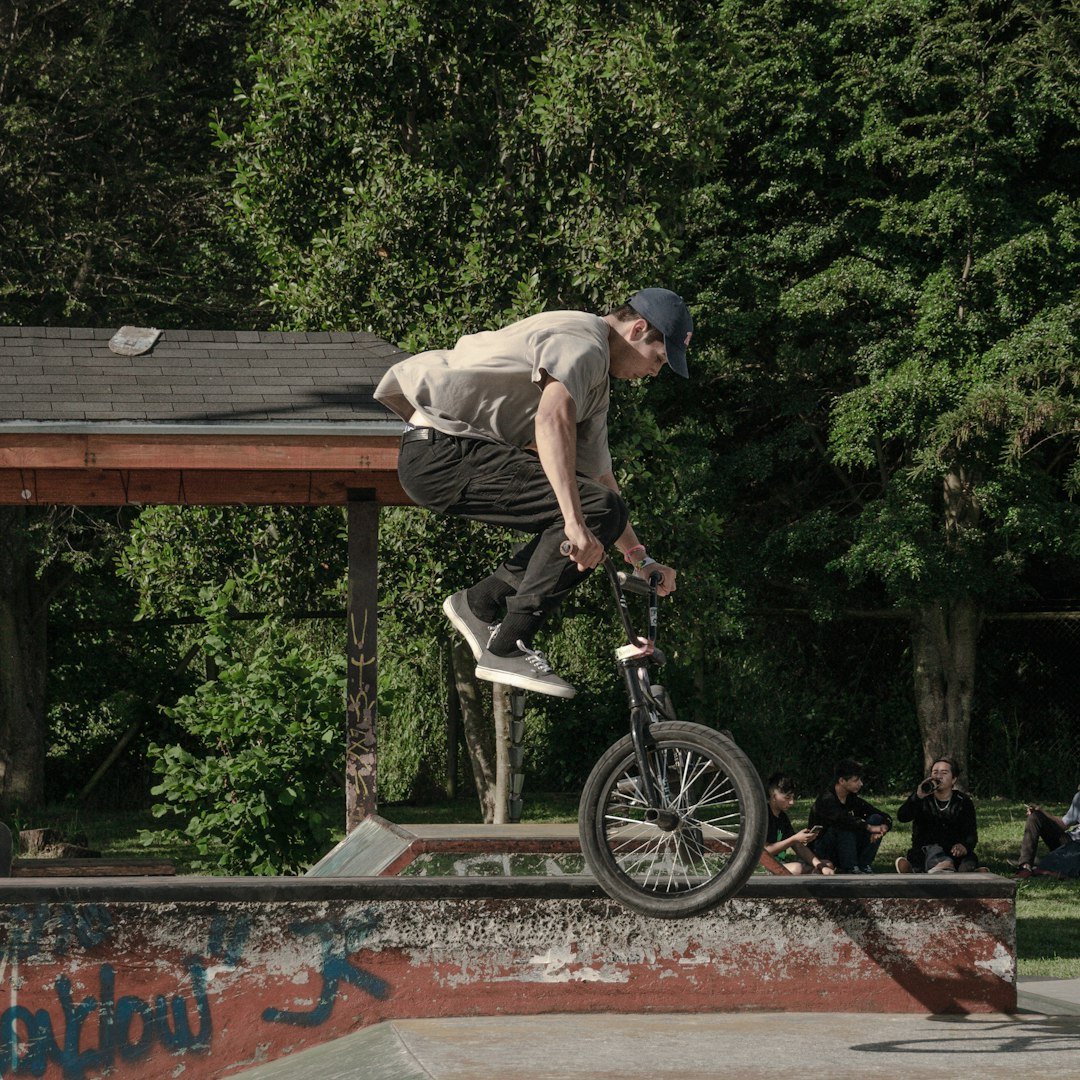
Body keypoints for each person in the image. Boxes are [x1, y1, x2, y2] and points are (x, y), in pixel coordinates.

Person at [374, 289, 693, 699]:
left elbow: (599, 479)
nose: (654, 373)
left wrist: (639, 559)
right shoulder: (584, 342)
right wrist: (576, 523)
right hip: (443, 451)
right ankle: (508, 645)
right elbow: (551, 418)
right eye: (659, 359)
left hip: (452, 453)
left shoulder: (594, 385)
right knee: (588, 513)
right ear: (638, 329)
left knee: (603, 508)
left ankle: (482, 604)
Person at [894, 757, 980, 873]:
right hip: (926, 850)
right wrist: (917, 796)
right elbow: (902, 817)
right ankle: (937, 868)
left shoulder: (963, 801)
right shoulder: (923, 799)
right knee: (928, 854)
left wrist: (964, 846)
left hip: (953, 851)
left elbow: (971, 833)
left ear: (953, 779)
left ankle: (950, 869)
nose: (939, 776)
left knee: (967, 864)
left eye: (944, 773)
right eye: (935, 772)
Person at [807, 759, 892, 874]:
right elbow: (842, 819)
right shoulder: (826, 799)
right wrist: (869, 827)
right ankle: (850, 867)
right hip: (824, 849)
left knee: (876, 818)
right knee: (844, 825)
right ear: (841, 780)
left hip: (847, 846)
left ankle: (864, 865)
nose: (860, 784)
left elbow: (881, 815)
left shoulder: (852, 798)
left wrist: (884, 827)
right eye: (856, 780)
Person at [764, 772, 834, 875]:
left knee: (827, 864)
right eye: (787, 798)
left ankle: (814, 873)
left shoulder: (782, 817)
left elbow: (798, 846)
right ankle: (813, 874)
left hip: (782, 864)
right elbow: (765, 852)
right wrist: (794, 839)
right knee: (797, 868)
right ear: (774, 797)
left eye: (793, 797)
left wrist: (819, 865)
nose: (792, 802)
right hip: (765, 866)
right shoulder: (764, 816)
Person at [1015, 788, 1080, 878]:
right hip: (1068, 841)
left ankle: (1046, 869)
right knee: (1035, 817)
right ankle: (1025, 866)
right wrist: (1041, 811)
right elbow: (1064, 824)